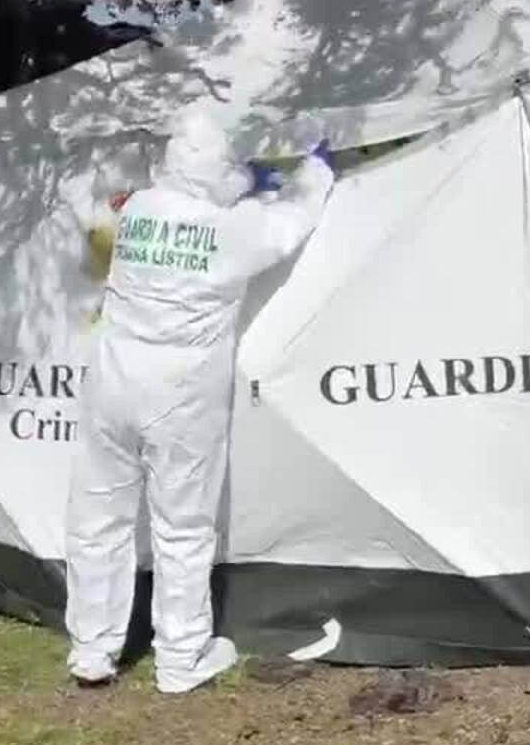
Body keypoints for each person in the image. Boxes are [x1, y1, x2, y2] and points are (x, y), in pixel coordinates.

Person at [65, 102, 337, 693]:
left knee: (97, 519)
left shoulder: (137, 210)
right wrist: (311, 170)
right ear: (220, 165)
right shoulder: (232, 231)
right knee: (182, 526)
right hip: (180, 395)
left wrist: (243, 188)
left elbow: (192, 201)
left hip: (111, 383)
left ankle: (92, 648)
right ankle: (181, 657)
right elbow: (292, 219)